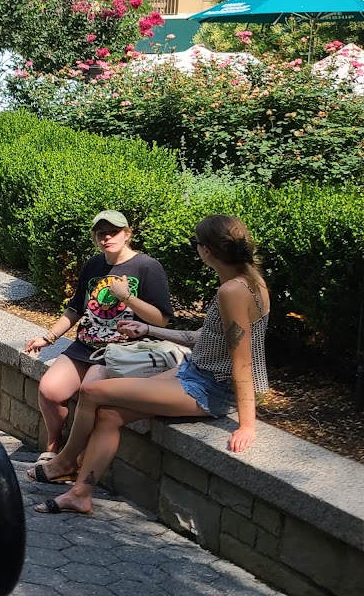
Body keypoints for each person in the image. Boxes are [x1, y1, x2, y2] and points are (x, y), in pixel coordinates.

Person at [29, 214, 270, 514]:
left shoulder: (232, 291)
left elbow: (242, 362)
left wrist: (247, 424)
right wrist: (150, 330)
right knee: (108, 415)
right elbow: (205, 337)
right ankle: (81, 493)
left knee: (92, 392)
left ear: (207, 250)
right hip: (194, 372)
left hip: (209, 388)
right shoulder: (249, 282)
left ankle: (65, 461)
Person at [21, 210, 173, 463]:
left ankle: (74, 458)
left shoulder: (147, 267)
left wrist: (126, 297)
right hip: (85, 346)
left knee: (88, 392)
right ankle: (52, 446)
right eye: (101, 233)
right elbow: (76, 308)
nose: (107, 237)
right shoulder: (94, 264)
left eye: (114, 232)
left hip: (121, 351)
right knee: (49, 391)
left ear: (127, 234)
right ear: (94, 237)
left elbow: (161, 319)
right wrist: (48, 338)